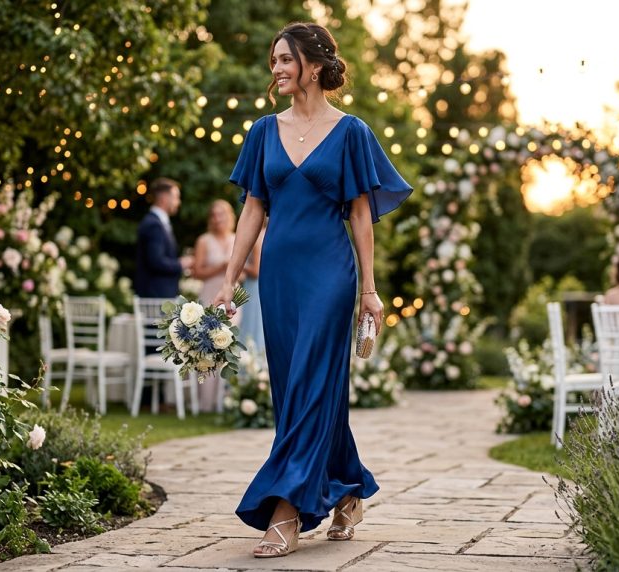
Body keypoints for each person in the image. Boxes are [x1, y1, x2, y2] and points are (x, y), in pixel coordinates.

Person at [211, 22, 412, 558]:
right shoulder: (261, 132)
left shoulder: (351, 133)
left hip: (329, 273)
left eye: (284, 59)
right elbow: (253, 208)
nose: (275, 68)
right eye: (273, 60)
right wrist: (229, 280)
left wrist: (369, 290)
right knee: (299, 390)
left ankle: (286, 510)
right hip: (278, 274)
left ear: (314, 66)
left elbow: (361, 215)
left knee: (310, 382)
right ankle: (348, 491)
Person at [192, 199, 239, 412]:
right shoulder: (204, 240)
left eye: (222, 213)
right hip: (210, 294)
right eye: (214, 214)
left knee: (230, 344)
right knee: (207, 346)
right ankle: (205, 400)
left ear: (229, 216)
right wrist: (219, 267)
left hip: (232, 299)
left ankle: (227, 398)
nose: (218, 218)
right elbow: (197, 272)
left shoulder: (237, 238)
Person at [134, 178, 192, 298]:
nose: (178, 202)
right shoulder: (154, 224)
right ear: (164, 198)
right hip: (156, 295)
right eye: (176, 197)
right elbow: (156, 261)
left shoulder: (158, 222)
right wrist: (181, 264)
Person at [236, 222, 267, 355]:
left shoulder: (257, 237)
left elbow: (256, 271)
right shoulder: (268, 234)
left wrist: (239, 263)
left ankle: (253, 365)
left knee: (253, 324)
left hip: (254, 287)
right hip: (259, 285)